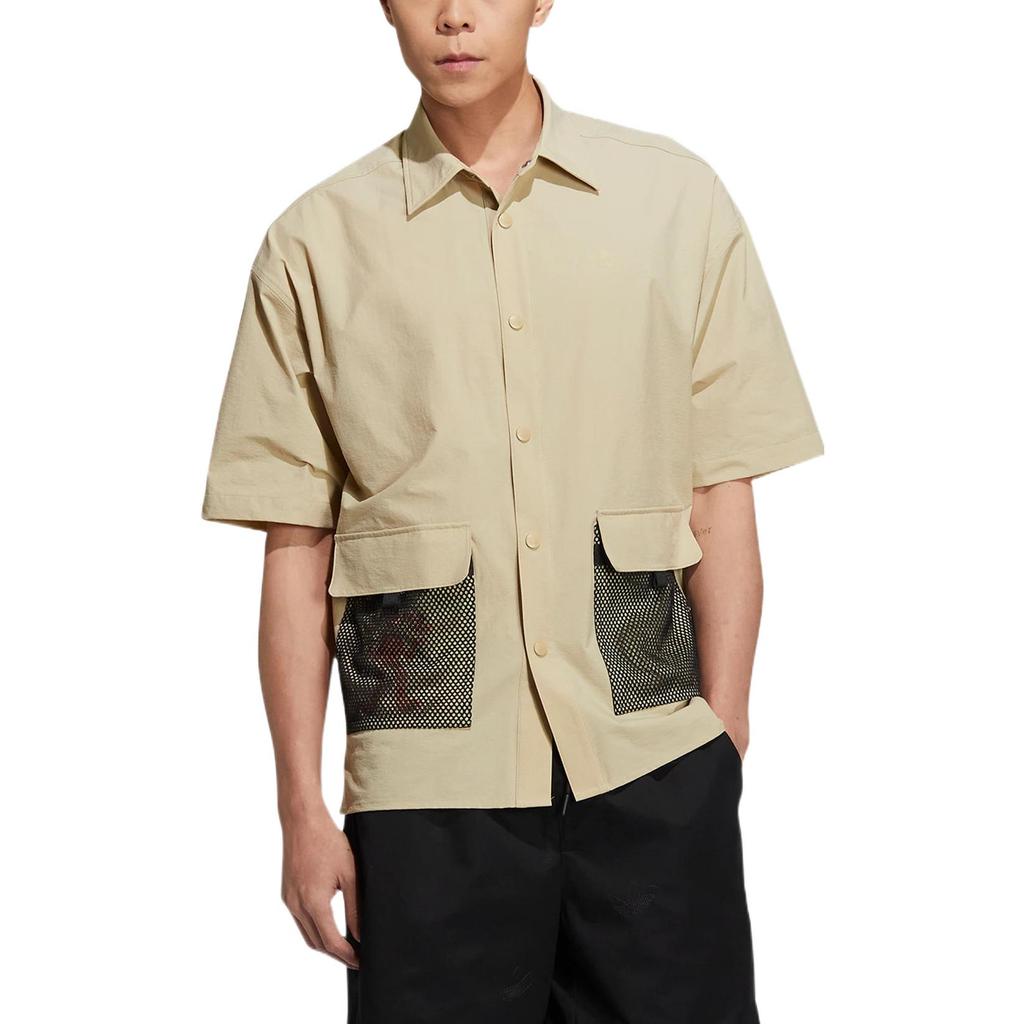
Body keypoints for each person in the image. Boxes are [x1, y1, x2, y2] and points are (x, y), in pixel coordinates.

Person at [202, 2, 824, 1020]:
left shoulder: (674, 201)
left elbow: (720, 486)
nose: (454, 15)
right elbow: (295, 541)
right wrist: (299, 808)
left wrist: (724, 734)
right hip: (424, 790)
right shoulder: (314, 243)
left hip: (653, 765)